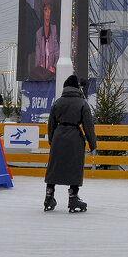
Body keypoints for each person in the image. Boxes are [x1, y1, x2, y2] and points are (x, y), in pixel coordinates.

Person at [44, 74, 97, 212]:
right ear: (77, 88)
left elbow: (51, 124)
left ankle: (49, 196)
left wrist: (52, 140)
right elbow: (88, 126)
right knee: (74, 167)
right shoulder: (82, 103)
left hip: (58, 137)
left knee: (54, 167)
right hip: (75, 138)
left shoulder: (57, 102)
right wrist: (93, 144)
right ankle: (73, 198)